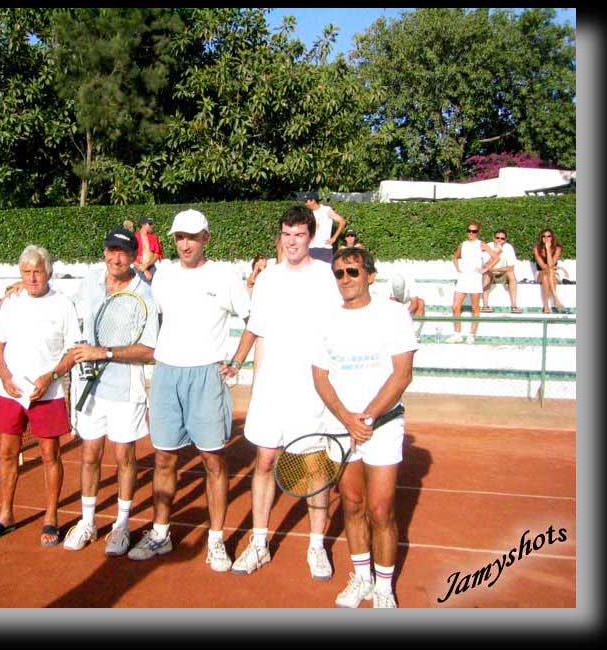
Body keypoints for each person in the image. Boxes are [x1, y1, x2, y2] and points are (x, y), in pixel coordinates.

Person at [126, 209, 251, 573]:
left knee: (213, 460)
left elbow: (252, 319)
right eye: (180, 237)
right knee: (164, 458)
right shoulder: (162, 275)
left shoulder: (225, 275)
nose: (185, 244)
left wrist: (237, 362)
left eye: (192, 237)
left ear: (206, 239)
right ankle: (161, 533)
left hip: (207, 377)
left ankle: (215, 541)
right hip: (167, 375)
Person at [222, 205, 340, 581]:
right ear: (281, 237)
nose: (292, 241)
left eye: (299, 235)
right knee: (265, 462)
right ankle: (259, 544)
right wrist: (236, 363)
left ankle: (316, 545)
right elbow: (254, 328)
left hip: (312, 391)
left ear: (311, 237)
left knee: (313, 469)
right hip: (270, 389)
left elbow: (344, 324)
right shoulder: (268, 279)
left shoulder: (327, 276)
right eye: (286, 234)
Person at [311, 246, 418, 608]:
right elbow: (321, 377)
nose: (345, 279)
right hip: (343, 425)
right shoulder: (326, 318)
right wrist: (347, 418)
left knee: (381, 509)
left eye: (352, 272)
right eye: (339, 273)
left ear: (370, 275)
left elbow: (402, 374)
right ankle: (360, 577)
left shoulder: (392, 314)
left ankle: (384, 586)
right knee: (353, 504)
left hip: (382, 425)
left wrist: (368, 417)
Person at [62, 228, 159, 556]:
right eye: (110, 250)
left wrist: (103, 352)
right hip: (90, 386)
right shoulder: (89, 282)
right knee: (89, 454)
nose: (115, 258)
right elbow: (64, 310)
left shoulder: (144, 294)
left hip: (125, 390)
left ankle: (121, 525)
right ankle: (88, 521)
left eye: (123, 252)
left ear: (134, 257)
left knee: (124, 457)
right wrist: (18, 289)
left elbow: (149, 350)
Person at [0, 244, 80, 547]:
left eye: (37, 272)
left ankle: (51, 517)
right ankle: (5, 514)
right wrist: (5, 377)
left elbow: (73, 351)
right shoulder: (11, 303)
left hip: (47, 393)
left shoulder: (63, 304)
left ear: (48, 272)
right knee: (7, 453)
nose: (32, 278)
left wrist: (51, 375)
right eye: (26, 272)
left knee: (50, 455)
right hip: (10, 393)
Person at [446, 221, 499, 344]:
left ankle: (472, 334)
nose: (471, 233)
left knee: (475, 307)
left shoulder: (481, 244)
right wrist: (458, 268)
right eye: (469, 230)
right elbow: (455, 257)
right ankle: (457, 334)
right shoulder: (463, 244)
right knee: (455, 306)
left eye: (474, 231)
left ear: (478, 232)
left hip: (475, 278)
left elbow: (496, 257)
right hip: (463, 278)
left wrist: (485, 269)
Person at [482, 229, 522, 314]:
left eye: (502, 238)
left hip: (501, 273)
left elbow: (511, 268)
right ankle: (485, 305)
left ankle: (514, 306)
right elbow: (486, 265)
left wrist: (495, 269)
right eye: (497, 238)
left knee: (511, 274)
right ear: (493, 238)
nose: (499, 240)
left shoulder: (508, 247)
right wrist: (497, 252)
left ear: (505, 240)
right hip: (490, 273)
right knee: (487, 274)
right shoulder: (488, 246)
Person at [300, 191, 346, 264]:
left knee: (325, 273)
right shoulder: (308, 213)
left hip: (324, 249)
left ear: (313, 200)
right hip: (310, 248)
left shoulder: (326, 210)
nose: (305, 204)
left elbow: (342, 221)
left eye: (306, 201)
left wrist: (334, 238)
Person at [533, 228, 568, 314]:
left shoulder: (557, 248)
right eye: (544, 236)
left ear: (552, 237)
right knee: (548, 272)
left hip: (552, 274)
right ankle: (556, 298)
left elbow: (551, 264)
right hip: (540, 273)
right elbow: (543, 266)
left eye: (549, 236)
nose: (546, 238)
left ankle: (546, 306)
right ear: (541, 238)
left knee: (546, 277)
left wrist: (548, 250)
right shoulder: (536, 248)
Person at [389, 273, 426, 339]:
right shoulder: (388, 285)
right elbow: (388, 303)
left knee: (421, 302)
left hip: (407, 306)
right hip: (395, 307)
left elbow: (414, 303)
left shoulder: (410, 283)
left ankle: (414, 335)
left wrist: (405, 313)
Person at [133, 217, 164, 282]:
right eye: (150, 224)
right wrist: (144, 270)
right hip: (138, 268)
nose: (152, 225)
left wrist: (147, 265)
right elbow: (130, 255)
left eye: (152, 223)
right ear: (143, 225)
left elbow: (157, 254)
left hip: (151, 267)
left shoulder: (154, 237)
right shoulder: (134, 238)